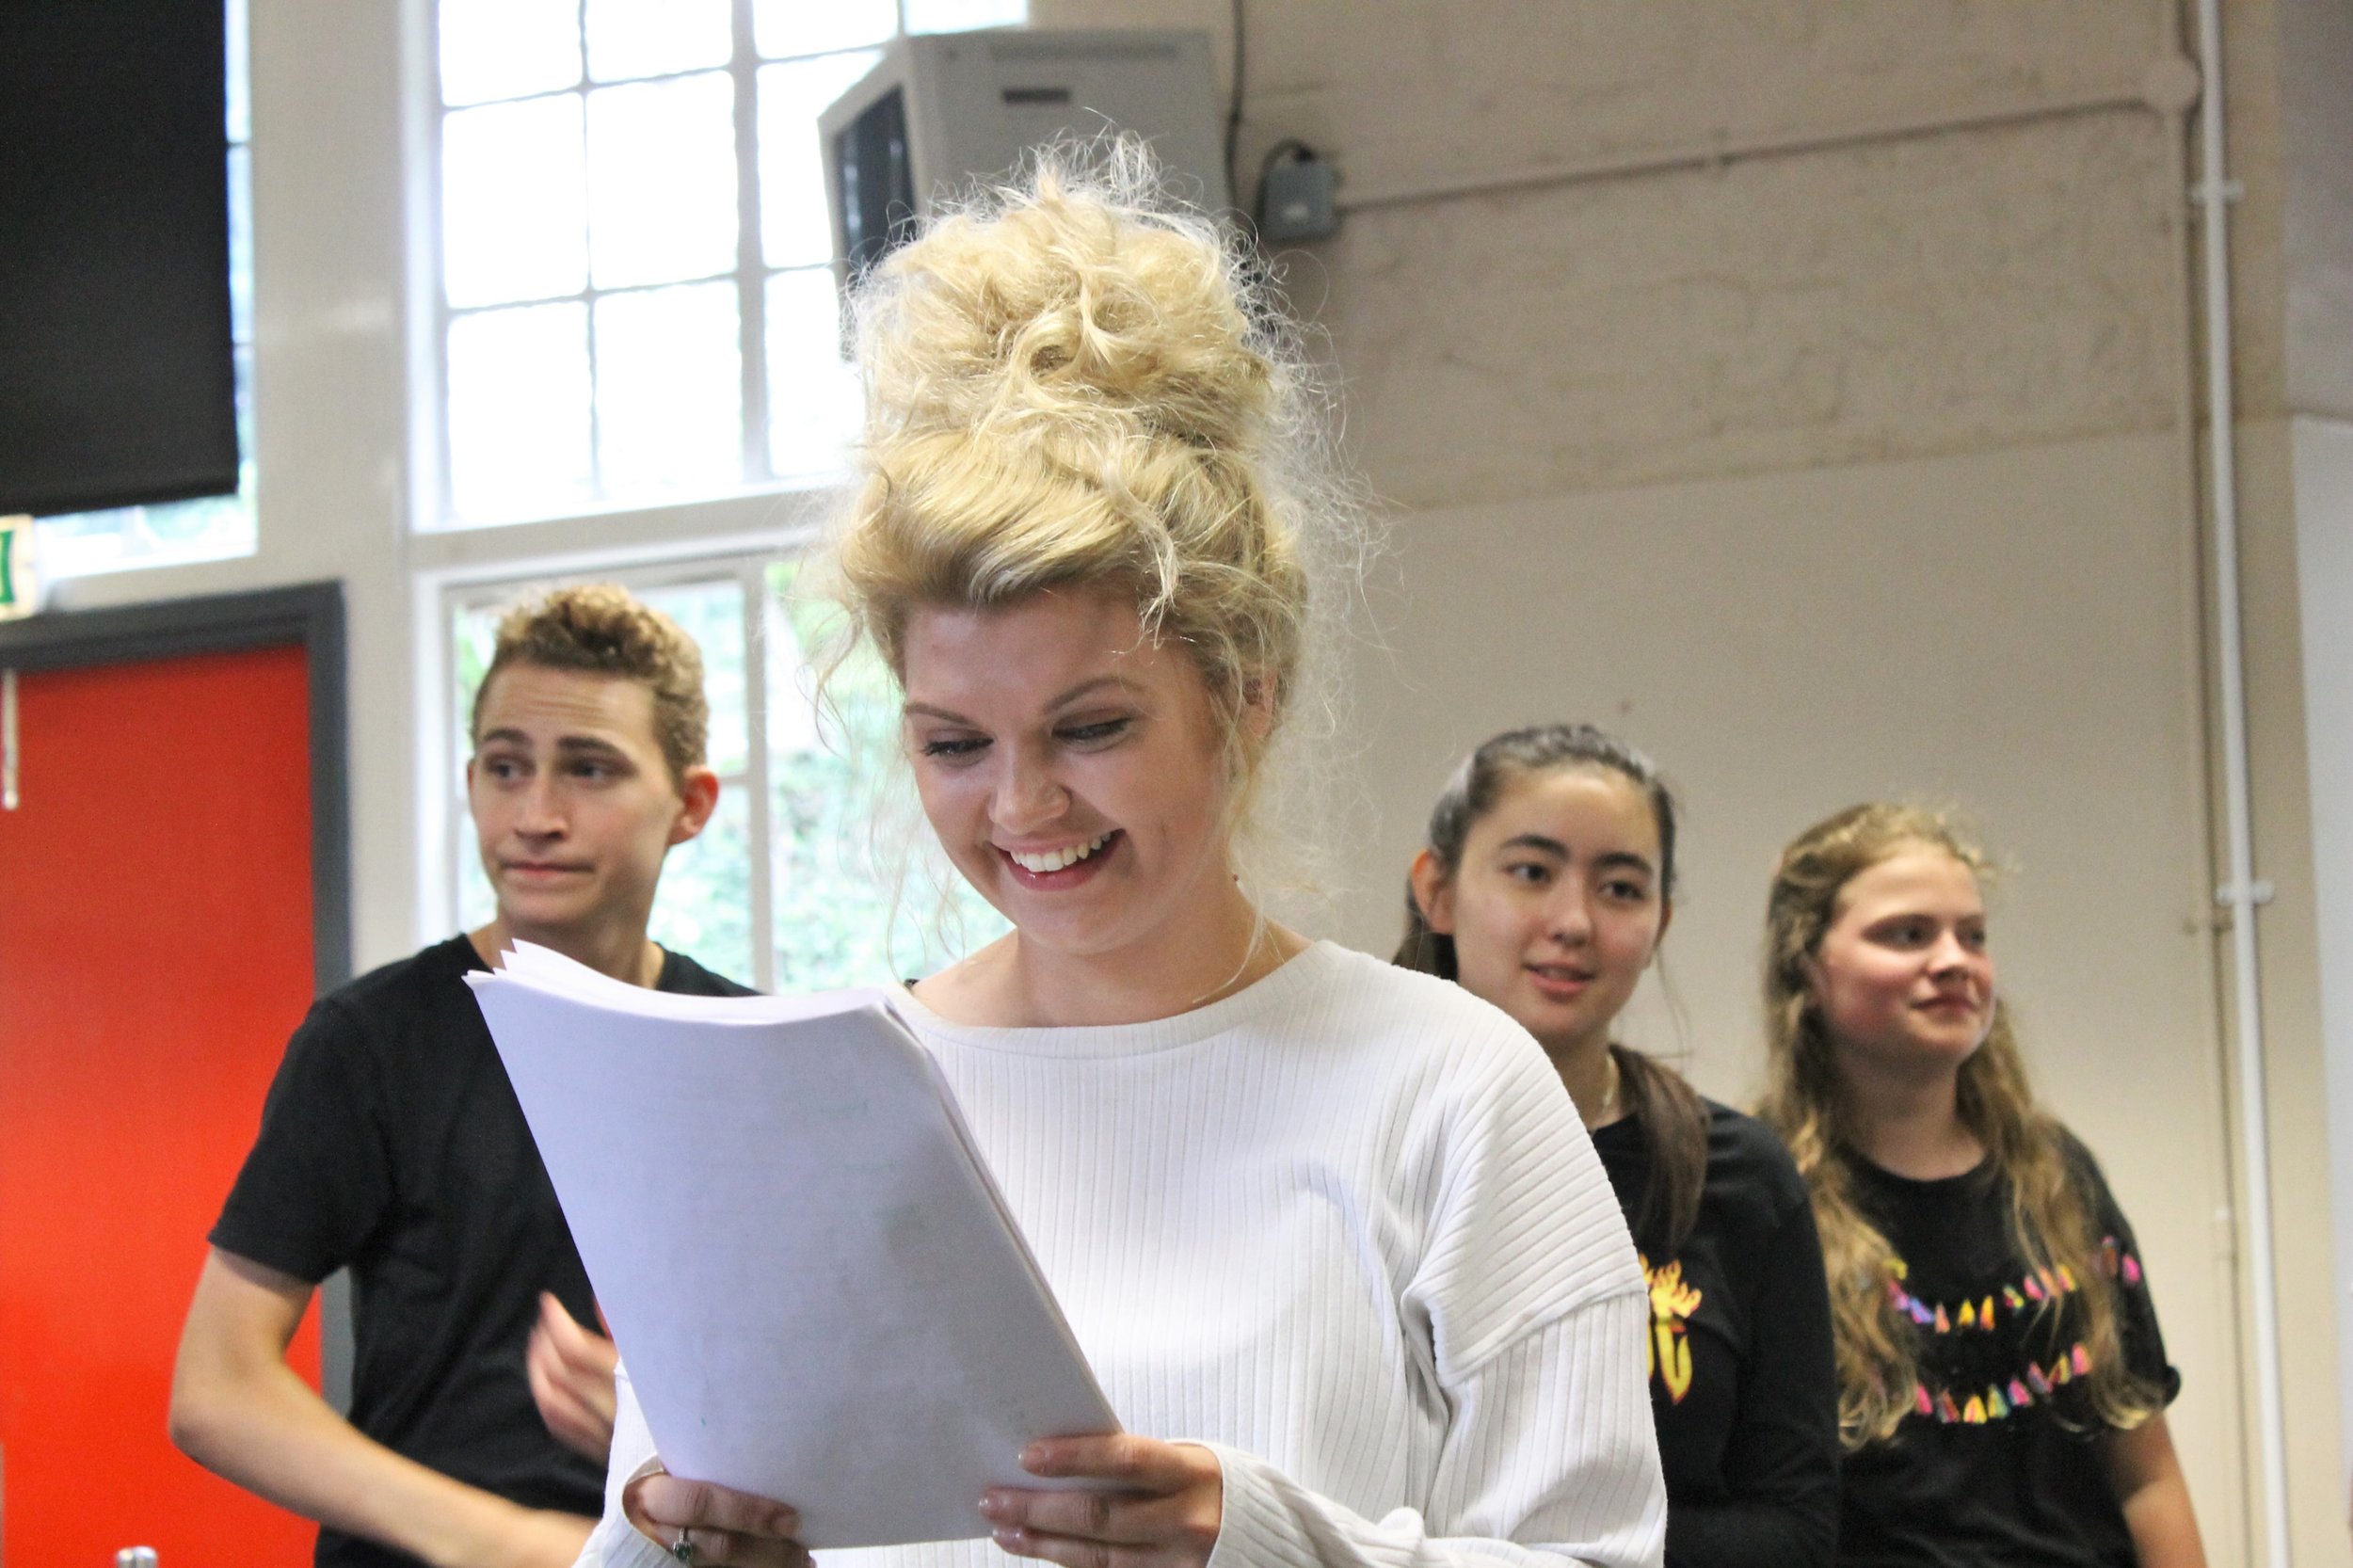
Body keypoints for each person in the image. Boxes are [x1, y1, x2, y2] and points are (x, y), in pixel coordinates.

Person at [573, 149, 1668, 1568]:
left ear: (1247, 693)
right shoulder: (798, 1120)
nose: (1023, 804)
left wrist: (1268, 1542)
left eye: (1089, 726)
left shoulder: (1450, 1091)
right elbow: (642, 1529)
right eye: (954, 743)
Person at [169, 584, 754, 1568]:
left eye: (589, 770)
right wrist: (505, 1542)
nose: (534, 815)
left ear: (689, 805)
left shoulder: (747, 1048)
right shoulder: (371, 1041)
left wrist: (652, 1425)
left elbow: (811, 1392)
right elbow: (217, 1388)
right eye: (504, 766)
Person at [1394, 723, 1839, 1568]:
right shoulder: (1356, 1141)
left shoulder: (1739, 1176)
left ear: (1661, 921)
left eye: (1622, 889)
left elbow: (1795, 1529)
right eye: (1531, 873)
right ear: (1438, 890)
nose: (1574, 922)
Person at [1754, 803, 2205, 1568]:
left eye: (1973, 935)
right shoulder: (1759, 1193)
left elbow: (2147, 1478)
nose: (1953, 959)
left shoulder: (2055, 1176)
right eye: (1907, 934)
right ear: (1807, 964)